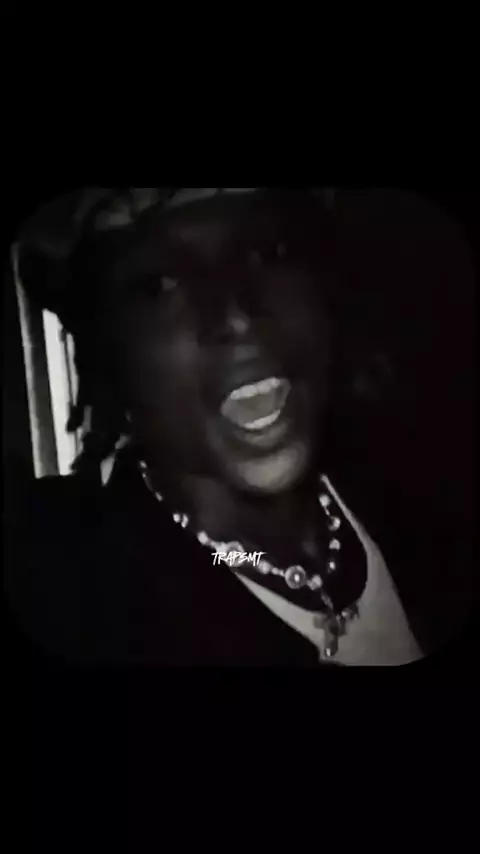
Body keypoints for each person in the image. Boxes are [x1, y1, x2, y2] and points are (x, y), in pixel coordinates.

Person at [3, 188, 472, 666]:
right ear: (109, 349)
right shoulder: (79, 597)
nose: (236, 315)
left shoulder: (424, 488)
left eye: (270, 253)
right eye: (160, 284)